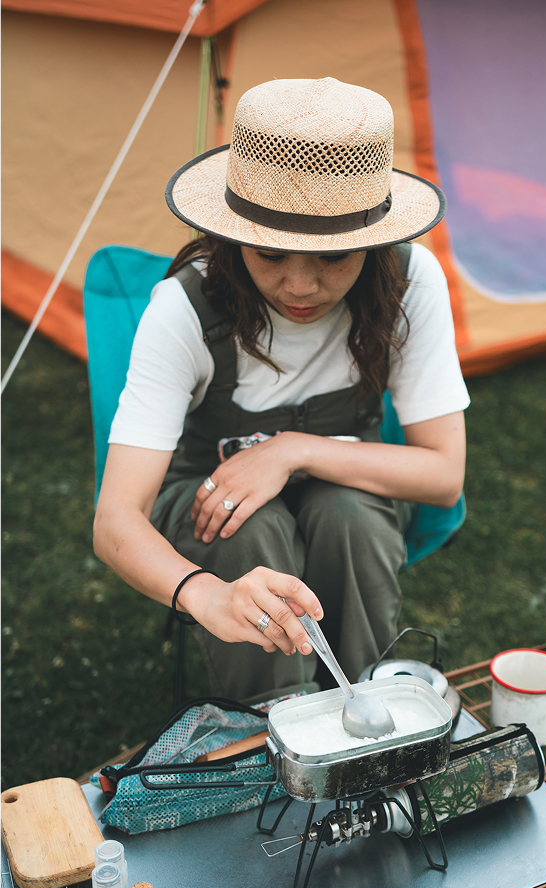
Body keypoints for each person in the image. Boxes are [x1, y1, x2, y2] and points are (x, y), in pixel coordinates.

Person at [93, 76, 469, 704]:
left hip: (347, 499)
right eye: (270, 255)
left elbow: (443, 475)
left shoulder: (409, 281)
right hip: (211, 497)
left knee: (349, 518)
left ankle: (365, 708)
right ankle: (268, 727)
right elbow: (113, 522)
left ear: (372, 242)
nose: (300, 286)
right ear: (232, 235)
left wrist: (293, 449)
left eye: (332, 258)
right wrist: (207, 595)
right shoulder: (183, 309)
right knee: (249, 530)